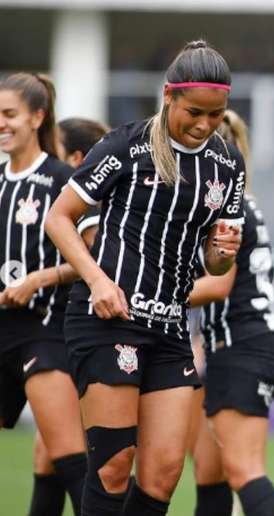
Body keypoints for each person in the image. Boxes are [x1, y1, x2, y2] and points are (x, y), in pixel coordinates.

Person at [44, 40, 246, 516]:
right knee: (115, 467)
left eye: (216, 115)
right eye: (194, 111)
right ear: (168, 95)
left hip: (171, 330)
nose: (203, 125)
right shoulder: (125, 145)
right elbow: (59, 218)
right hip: (107, 321)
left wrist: (219, 253)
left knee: (163, 475)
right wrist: (96, 280)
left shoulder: (227, 165)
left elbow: (216, 265)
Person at [188, 109, 274, 516]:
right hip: (246, 344)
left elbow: (219, 284)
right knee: (209, 473)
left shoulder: (225, 211)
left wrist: (150, 294)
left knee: (244, 469)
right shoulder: (246, 203)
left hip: (243, 347)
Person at [0, 73, 92, 516]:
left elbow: (91, 263)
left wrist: (37, 280)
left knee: (69, 459)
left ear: (37, 117)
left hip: (44, 333)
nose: (1, 123)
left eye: (9, 114)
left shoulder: (62, 180)